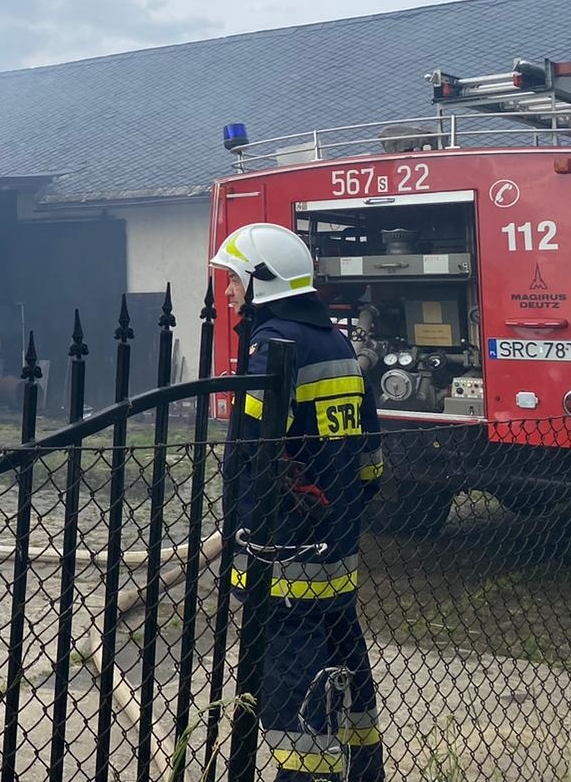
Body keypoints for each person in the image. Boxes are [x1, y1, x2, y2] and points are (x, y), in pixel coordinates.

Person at [210, 222, 384, 782]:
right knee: (344, 663)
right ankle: (361, 772)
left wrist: (246, 525)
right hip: (336, 545)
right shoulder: (334, 340)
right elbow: (369, 456)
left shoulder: (273, 346)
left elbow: (254, 454)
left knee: (290, 688)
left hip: (283, 553)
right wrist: (341, 507)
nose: (228, 292)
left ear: (262, 281)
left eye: (233, 279)